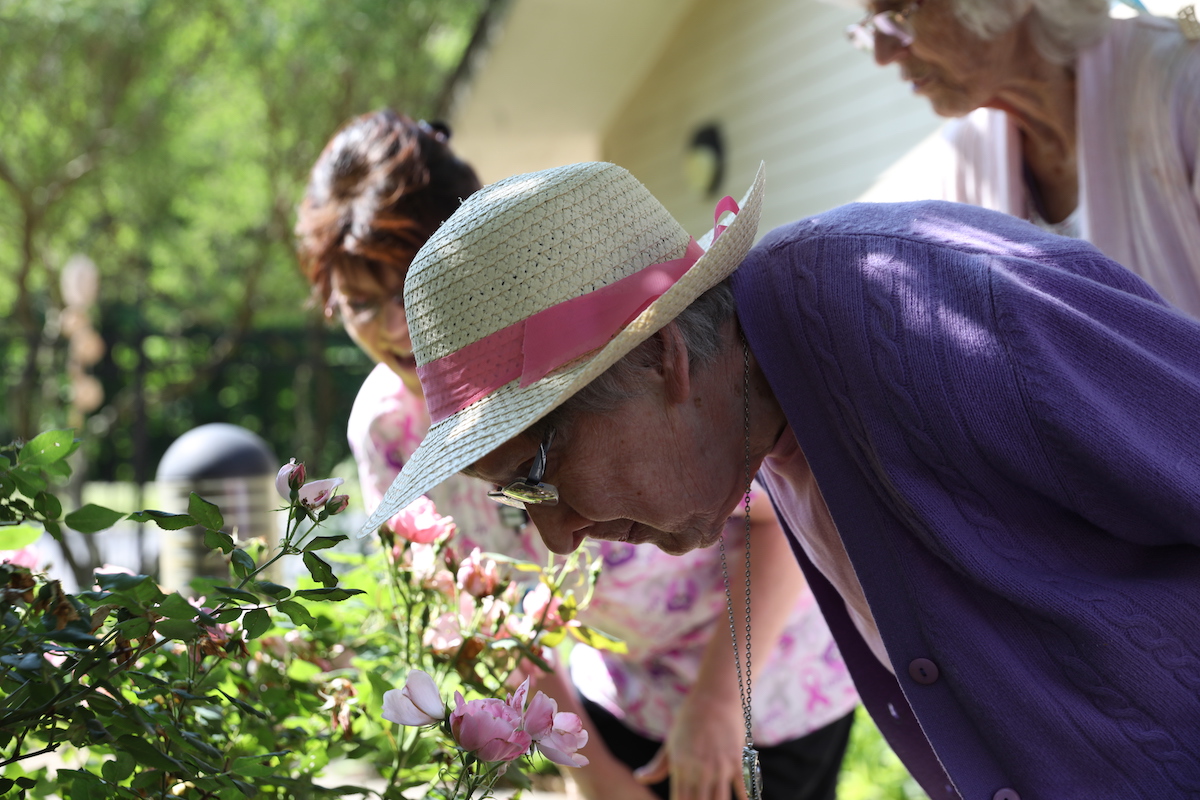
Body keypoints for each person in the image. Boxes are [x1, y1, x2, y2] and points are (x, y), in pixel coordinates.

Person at [365, 160, 1200, 800]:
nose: (553, 536)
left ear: (662, 358)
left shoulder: (928, 307)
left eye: (537, 471)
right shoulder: (759, 401)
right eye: (516, 498)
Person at [295, 111, 858, 800]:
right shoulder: (387, 430)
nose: (391, 327)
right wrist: (589, 772)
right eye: (359, 302)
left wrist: (716, 707)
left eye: (405, 285)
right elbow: (481, 614)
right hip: (615, 690)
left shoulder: (618, 378)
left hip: (766, 677)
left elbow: (780, 514)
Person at [847, 0, 1200, 318]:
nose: (882, 54)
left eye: (897, 15)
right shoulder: (965, 155)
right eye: (872, 27)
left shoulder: (1182, 80)